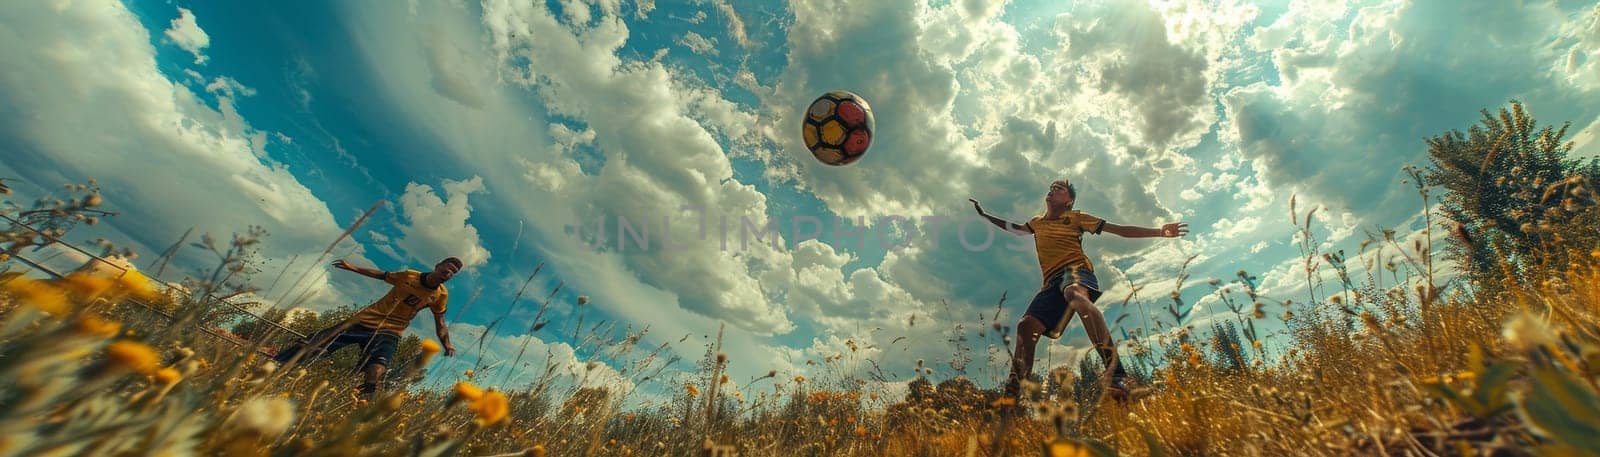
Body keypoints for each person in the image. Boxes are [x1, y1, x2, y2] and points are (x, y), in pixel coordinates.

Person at [970, 179, 1188, 404]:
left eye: (1059, 189)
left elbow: (1120, 230)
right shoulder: (1037, 223)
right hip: (1050, 283)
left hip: (1076, 271)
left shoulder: (1077, 218)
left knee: (1074, 293)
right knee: (1026, 326)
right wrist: (985, 215)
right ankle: (1010, 401)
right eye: (1051, 187)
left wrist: (1160, 232)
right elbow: (1014, 228)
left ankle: (1118, 374)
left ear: (1069, 201)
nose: (1052, 190)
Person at [274, 257, 461, 399]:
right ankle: (276, 365)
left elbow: (441, 322)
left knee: (377, 369)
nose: (450, 272)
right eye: (449, 267)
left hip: (391, 331)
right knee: (314, 343)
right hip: (363, 321)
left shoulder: (440, 295)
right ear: (438, 266)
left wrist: (447, 344)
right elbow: (382, 275)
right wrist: (352, 267)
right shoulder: (409, 276)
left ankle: (360, 401)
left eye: (454, 272)